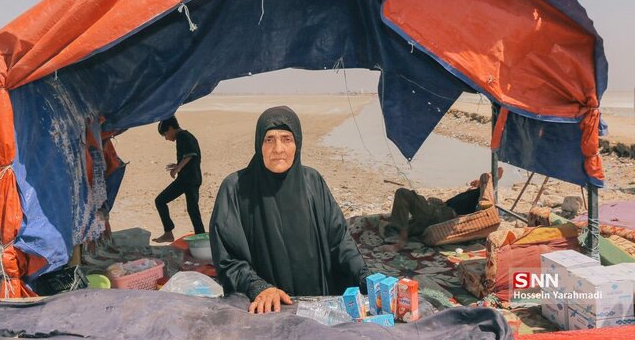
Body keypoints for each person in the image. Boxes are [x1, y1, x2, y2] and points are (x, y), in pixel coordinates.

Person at [209, 106, 368, 314]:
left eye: (286, 139)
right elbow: (227, 257)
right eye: (269, 140)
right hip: (267, 309)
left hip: (316, 302)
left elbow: (339, 241)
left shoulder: (313, 182)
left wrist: (364, 276)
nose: (278, 149)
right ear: (259, 144)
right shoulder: (235, 188)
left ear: (297, 144)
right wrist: (258, 287)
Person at [382, 167, 501, 251]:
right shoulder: (470, 193)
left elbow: (498, 171)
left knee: (403, 193)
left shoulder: (481, 195)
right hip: (439, 210)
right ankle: (399, 235)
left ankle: (400, 242)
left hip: (444, 214)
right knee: (392, 228)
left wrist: (481, 182)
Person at [153, 116, 205, 243]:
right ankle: (201, 237)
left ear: (170, 128)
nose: (166, 138)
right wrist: (177, 165)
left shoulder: (182, 136)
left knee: (160, 201)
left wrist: (177, 169)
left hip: (186, 179)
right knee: (193, 209)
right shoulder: (187, 136)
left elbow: (190, 155)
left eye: (165, 134)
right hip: (194, 178)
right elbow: (190, 157)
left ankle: (168, 233)